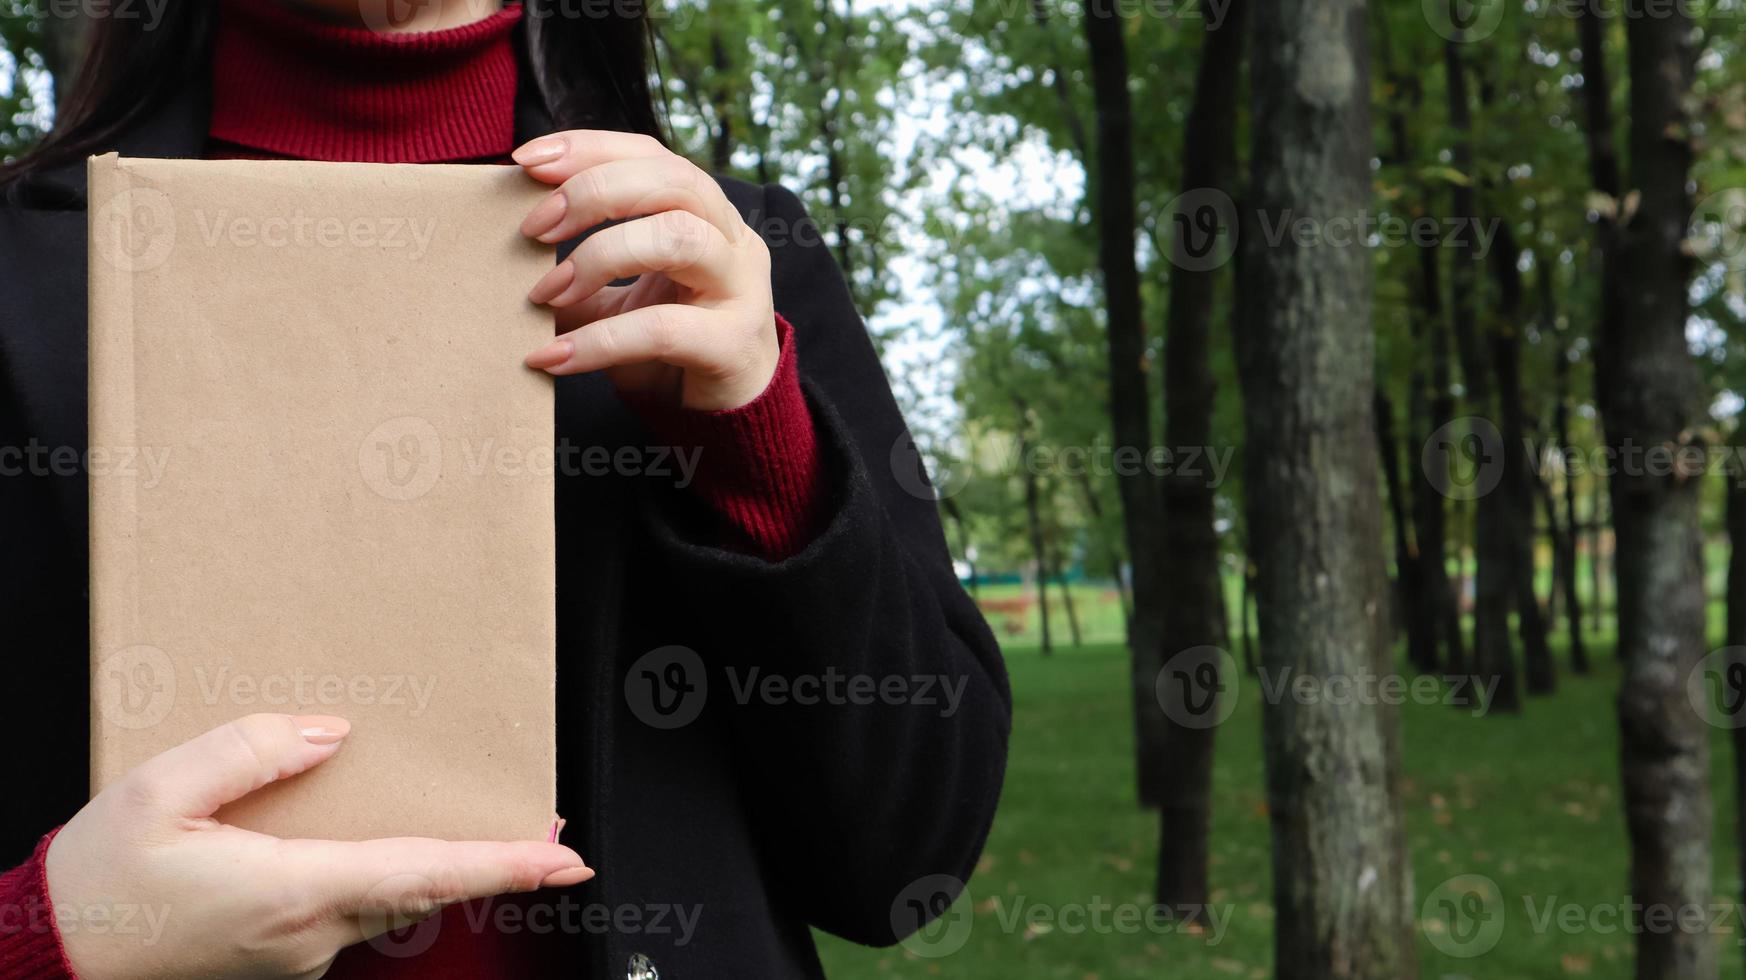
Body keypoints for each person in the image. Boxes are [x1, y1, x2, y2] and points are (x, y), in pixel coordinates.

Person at [0, 1, 1011, 977]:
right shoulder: (25, 267)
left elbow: (900, 863)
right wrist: (45, 935)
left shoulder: (720, 263)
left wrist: (758, 449)